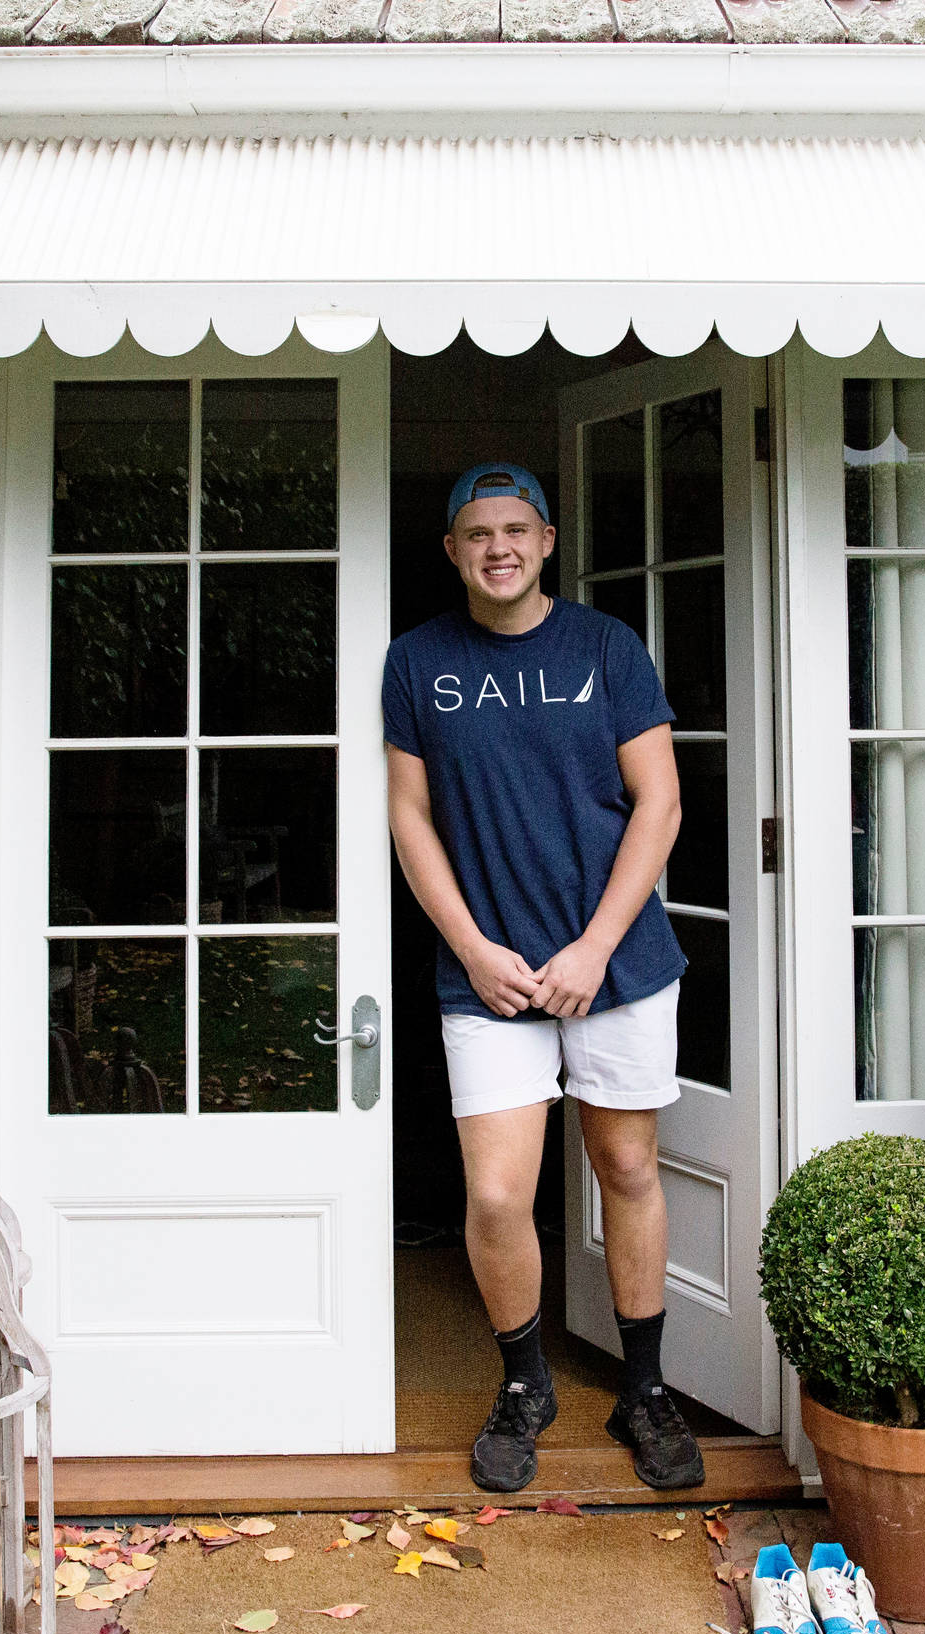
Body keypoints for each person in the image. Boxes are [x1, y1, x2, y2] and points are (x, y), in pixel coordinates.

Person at [381, 461, 706, 1495]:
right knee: (493, 1191)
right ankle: (526, 1385)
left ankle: (645, 1391)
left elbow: (658, 803)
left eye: (515, 528)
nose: (498, 547)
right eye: (477, 532)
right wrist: (475, 948)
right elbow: (408, 814)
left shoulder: (606, 648)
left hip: (613, 959)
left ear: (548, 538)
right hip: (492, 973)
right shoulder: (417, 661)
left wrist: (596, 947)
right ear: (451, 549)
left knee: (627, 1168)